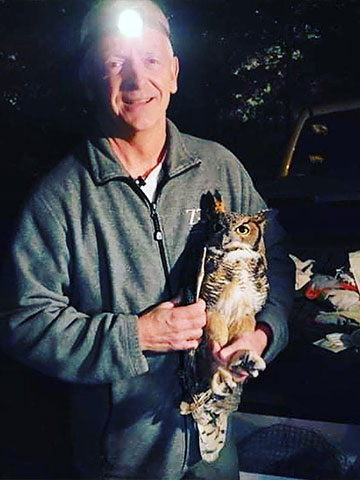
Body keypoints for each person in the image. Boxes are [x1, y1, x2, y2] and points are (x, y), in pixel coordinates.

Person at [0, 1, 294, 478]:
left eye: (151, 60)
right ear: (89, 79)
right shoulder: (60, 197)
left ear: (174, 73)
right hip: (120, 460)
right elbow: (22, 320)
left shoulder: (219, 168)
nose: (137, 80)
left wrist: (261, 334)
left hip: (215, 450)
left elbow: (276, 257)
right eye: (114, 63)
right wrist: (134, 336)